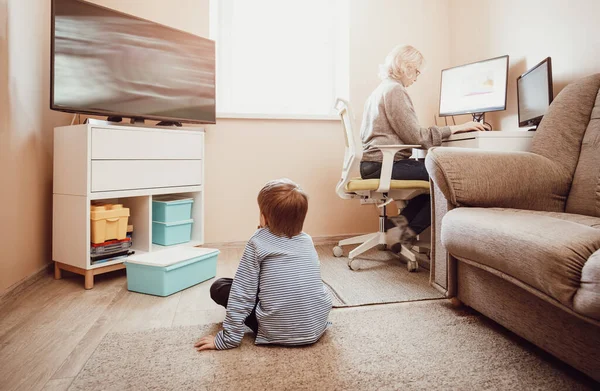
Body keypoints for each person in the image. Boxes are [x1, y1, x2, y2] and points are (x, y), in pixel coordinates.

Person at [360, 45, 486, 251]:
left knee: (434, 178)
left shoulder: (381, 89)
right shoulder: (395, 90)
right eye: (417, 71)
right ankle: (405, 234)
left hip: (374, 164)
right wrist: (456, 128)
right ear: (406, 66)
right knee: (448, 177)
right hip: (384, 164)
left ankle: (397, 226)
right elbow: (416, 136)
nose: (417, 78)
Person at [194, 178, 332, 351]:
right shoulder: (307, 240)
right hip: (315, 326)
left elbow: (242, 293)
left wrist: (227, 339)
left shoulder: (258, 242)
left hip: (276, 330)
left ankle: (276, 327)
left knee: (220, 287)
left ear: (264, 218)